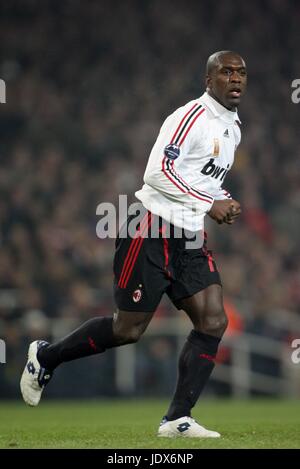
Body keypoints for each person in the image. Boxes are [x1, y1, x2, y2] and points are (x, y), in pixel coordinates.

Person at [20, 50, 247, 438]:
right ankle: (45, 357)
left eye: (241, 72)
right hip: (151, 227)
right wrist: (211, 203)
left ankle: (177, 419)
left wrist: (220, 197)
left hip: (189, 235)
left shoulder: (234, 128)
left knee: (213, 319)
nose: (235, 78)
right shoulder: (190, 117)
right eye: (226, 72)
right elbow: (157, 172)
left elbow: (202, 179)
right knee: (128, 330)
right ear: (209, 80)